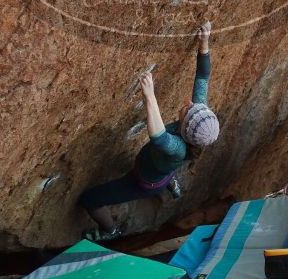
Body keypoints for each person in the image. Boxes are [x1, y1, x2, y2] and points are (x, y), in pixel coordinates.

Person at [79, 21, 220, 241]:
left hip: (143, 182)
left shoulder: (178, 150)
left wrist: (149, 95)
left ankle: (111, 230)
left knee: (89, 199)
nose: (189, 101)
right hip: (158, 169)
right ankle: (170, 180)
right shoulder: (197, 127)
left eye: (189, 108)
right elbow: (203, 76)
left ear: (184, 127)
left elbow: (158, 136)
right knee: (165, 169)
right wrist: (204, 42)